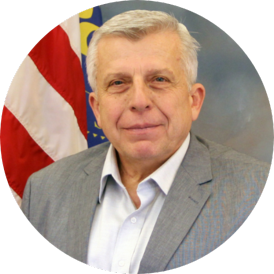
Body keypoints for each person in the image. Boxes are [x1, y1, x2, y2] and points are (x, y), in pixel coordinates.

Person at [22, 10, 270, 273]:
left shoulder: (253, 191)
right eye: (118, 82)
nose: (139, 101)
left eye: (159, 80)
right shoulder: (45, 191)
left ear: (193, 100)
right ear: (96, 109)